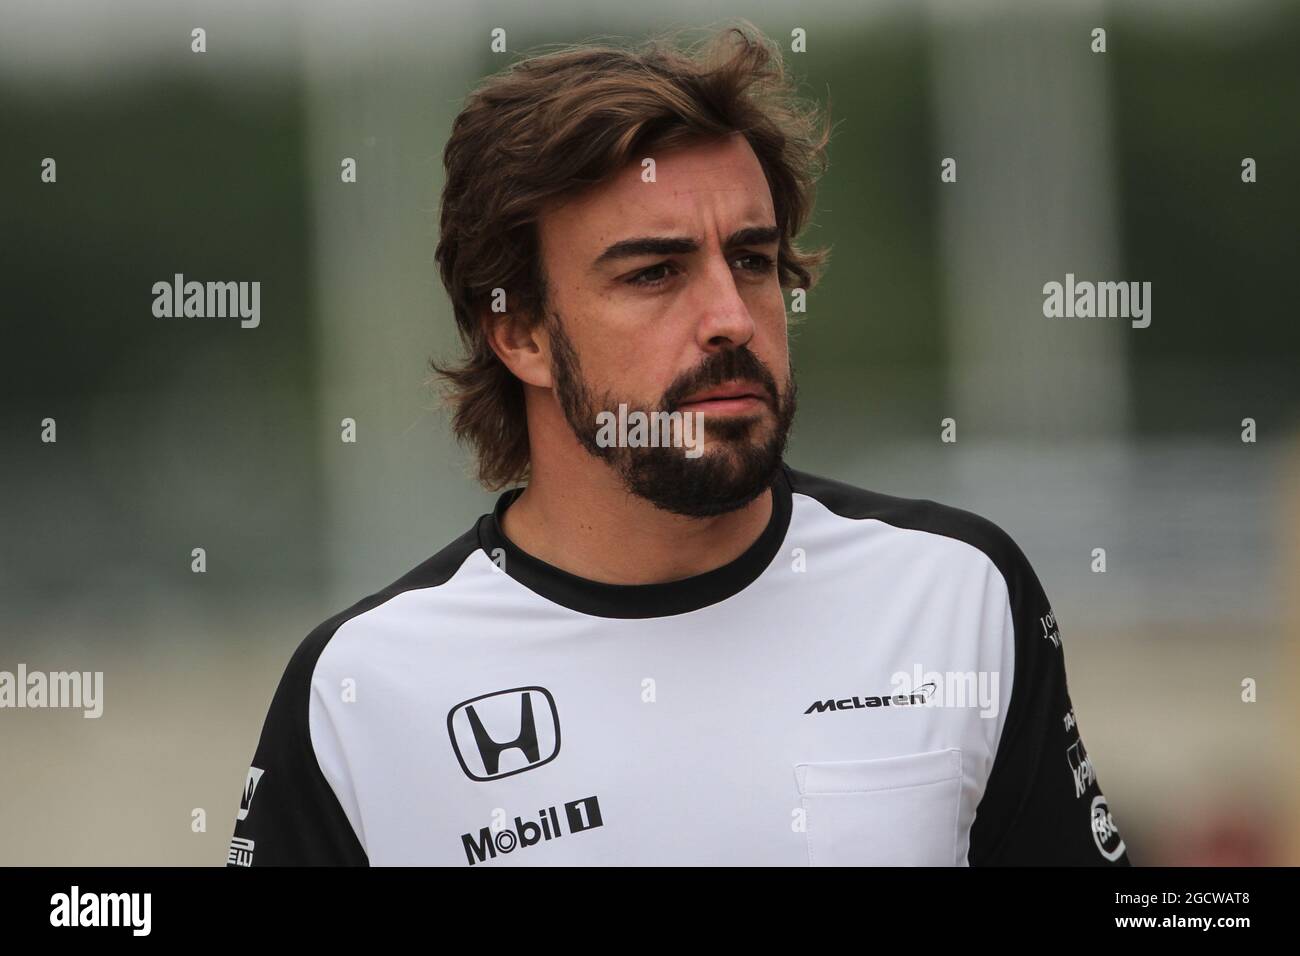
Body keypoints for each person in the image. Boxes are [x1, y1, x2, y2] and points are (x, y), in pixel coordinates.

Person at [227, 24, 1128, 866]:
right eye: (654, 273)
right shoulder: (363, 687)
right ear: (522, 334)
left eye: (752, 259)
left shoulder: (955, 591)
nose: (732, 320)